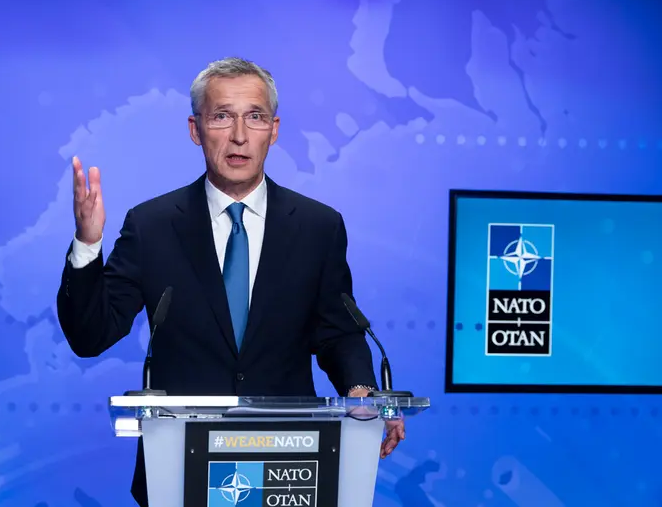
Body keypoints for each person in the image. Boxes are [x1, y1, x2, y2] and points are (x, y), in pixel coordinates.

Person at [56, 57, 405, 507]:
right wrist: (88, 243)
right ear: (195, 129)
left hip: (289, 470)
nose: (239, 135)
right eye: (222, 116)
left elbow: (338, 330)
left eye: (255, 117)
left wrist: (362, 392)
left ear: (273, 131)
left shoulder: (319, 227)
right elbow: (91, 335)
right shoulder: (152, 225)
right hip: (178, 471)